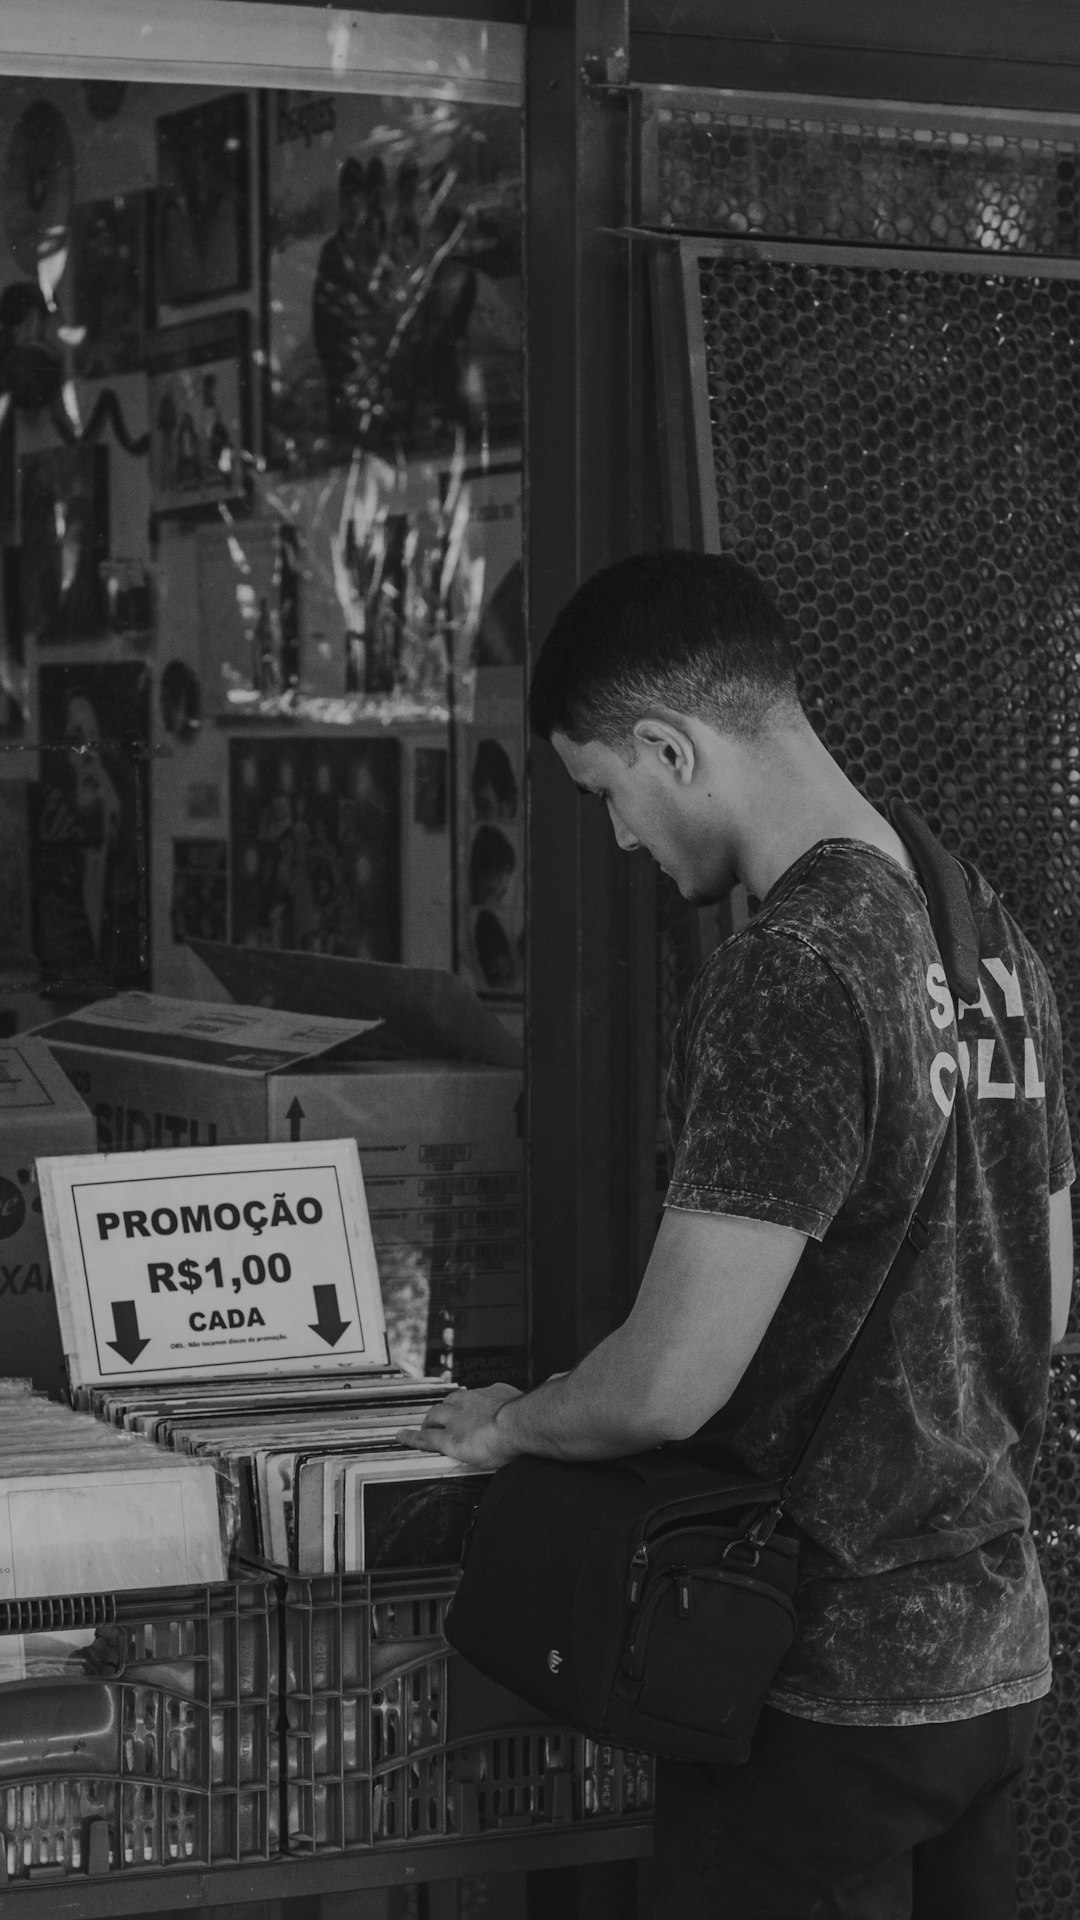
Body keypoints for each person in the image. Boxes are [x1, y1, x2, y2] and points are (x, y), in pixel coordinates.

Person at [401, 549, 1074, 1918]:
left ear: (670, 745)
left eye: (608, 794)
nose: (622, 842)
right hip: (992, 1661)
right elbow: (1053, 1290)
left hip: (818, 1688)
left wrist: (511, 1425)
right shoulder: (989, 936)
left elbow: (669, 1379)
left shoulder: (799, 964)